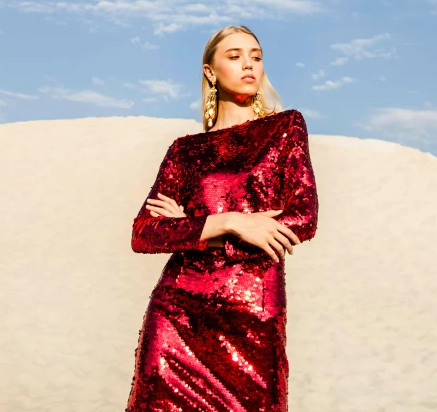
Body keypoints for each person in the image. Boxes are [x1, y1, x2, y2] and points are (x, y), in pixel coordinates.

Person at [125, 24, 319, 411]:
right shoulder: (185, 151)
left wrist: (192, 227)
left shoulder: (285, 128)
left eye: (256, 56)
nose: (249, 64)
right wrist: (231, 221)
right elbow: (145, 232)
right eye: (235, 56)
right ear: (210, 72)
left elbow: (302, 218)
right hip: (177, 317)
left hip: (253, 316)